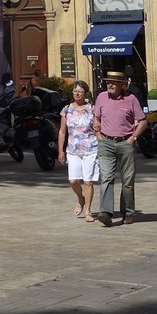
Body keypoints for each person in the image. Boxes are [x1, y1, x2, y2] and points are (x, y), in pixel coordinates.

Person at [92, 70, 148, 227]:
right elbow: (96, 117)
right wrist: (98, 135)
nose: (109, 85)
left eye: (113, 83)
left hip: (125, 143)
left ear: (122, 85)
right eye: (108, 82)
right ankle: (106, 213)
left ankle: (128, 212)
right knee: (106, 177)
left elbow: (143, 121)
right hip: (106, 142)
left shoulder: (131, 99)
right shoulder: (101, 97)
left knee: (127, 180)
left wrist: (133, 138)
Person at [57, 80, 100, 221]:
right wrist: (60, 151)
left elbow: (97, 128)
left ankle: (88, 211)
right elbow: (62, 131)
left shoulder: (92, 109)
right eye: (75, 91)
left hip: (90, 149)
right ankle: (81, 198)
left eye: (80, 91)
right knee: (73, 180)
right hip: (73, 149)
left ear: (85, 93)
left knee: (88, 181)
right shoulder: (67, 110)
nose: (77, 93)